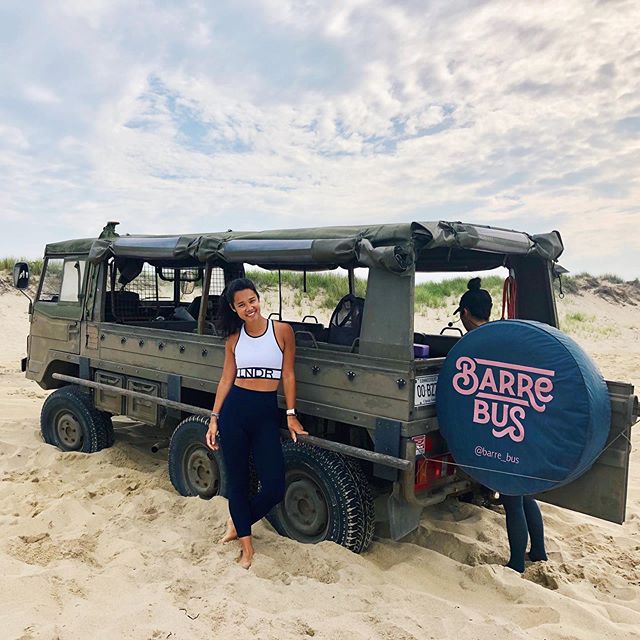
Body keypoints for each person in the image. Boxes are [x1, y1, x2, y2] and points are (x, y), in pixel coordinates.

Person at [205, 277, 307, 569]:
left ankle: (239, 521)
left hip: (265, 414)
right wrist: (214, 418)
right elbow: (226, 379)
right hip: (234, 413)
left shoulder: (283, 332)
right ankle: (247, 550)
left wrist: (290, 413)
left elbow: (287, 375)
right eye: (241, 304)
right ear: (234, 309)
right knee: (237, 482)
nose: (249, 307)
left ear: (259, 299)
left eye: (252, 300)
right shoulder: (234, 340)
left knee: (274, 486)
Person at [455, 277, 548, 573]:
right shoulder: (502, 336)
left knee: (510, 498)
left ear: (466, 313)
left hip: (498, 427)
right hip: (518, 423)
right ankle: (540, 552)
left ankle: (517, 563)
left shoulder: (472, 343)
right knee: (524, 493)